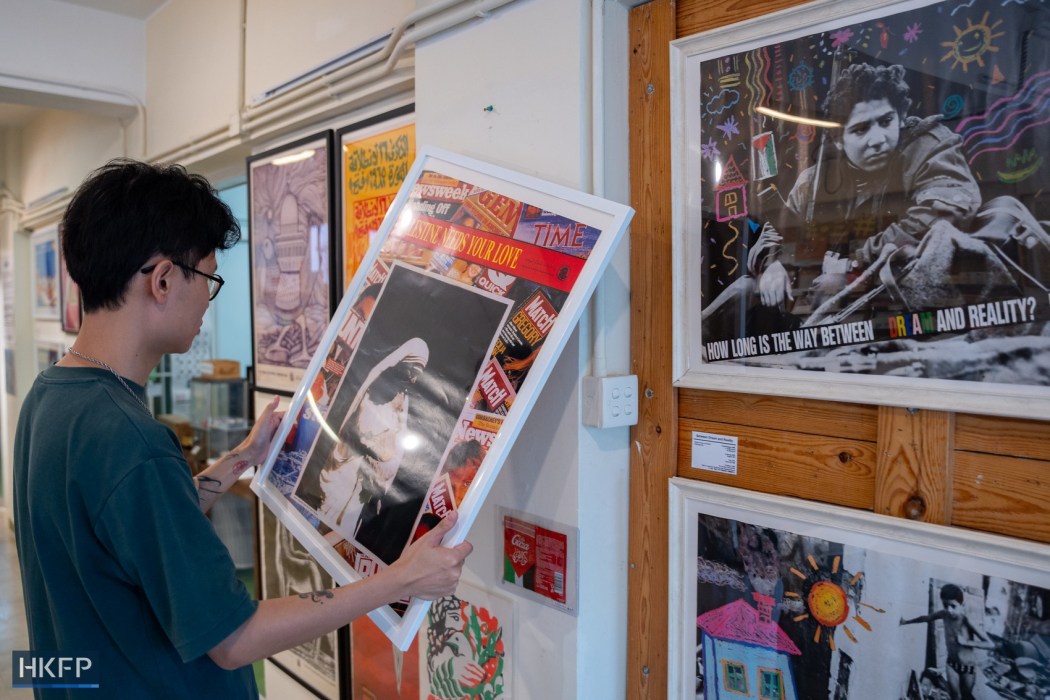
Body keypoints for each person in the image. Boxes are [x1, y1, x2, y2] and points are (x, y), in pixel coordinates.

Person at [13, 159, 472, 699]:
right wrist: (400, 580)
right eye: (207, 278)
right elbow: (234, 638)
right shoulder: (132, 441)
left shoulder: (50, 398)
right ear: (162, 280)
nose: (209, 299)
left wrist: (239, 460)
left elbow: (127, 528)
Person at [702, 62, 1036, 338]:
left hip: (907, 292)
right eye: (861, 130)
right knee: (744, 290)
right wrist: (772, 263)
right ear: (839, 138)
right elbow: (778, 229)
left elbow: (945, 211)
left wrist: (854, 263)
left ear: (899, 118)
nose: (878, 139)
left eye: (886, 121)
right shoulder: (815, 180)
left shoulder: (929, 145)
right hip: (827, 294)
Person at [314, 337, 429, 541]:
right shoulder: (377, 387)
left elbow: (394, 450)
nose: (413, 380)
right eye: (412, 371)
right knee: (324, 527)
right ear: (403, 362)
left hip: (365, 485)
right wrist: (380, 449)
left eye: (418, 376)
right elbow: (363, 432)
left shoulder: (403, 398)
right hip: (346, 473)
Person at [899, 583, 996, 700]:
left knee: (966, 696)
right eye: (945, 605)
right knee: (955, 697)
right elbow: (926, 618)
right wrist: (906, 622)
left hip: (967, 667)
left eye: (953, 606)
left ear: (962, 605)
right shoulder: (943, 614)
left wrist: (966, 642)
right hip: (951, 664)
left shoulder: (966, 620)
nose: (949, 610)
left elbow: (990, 644)